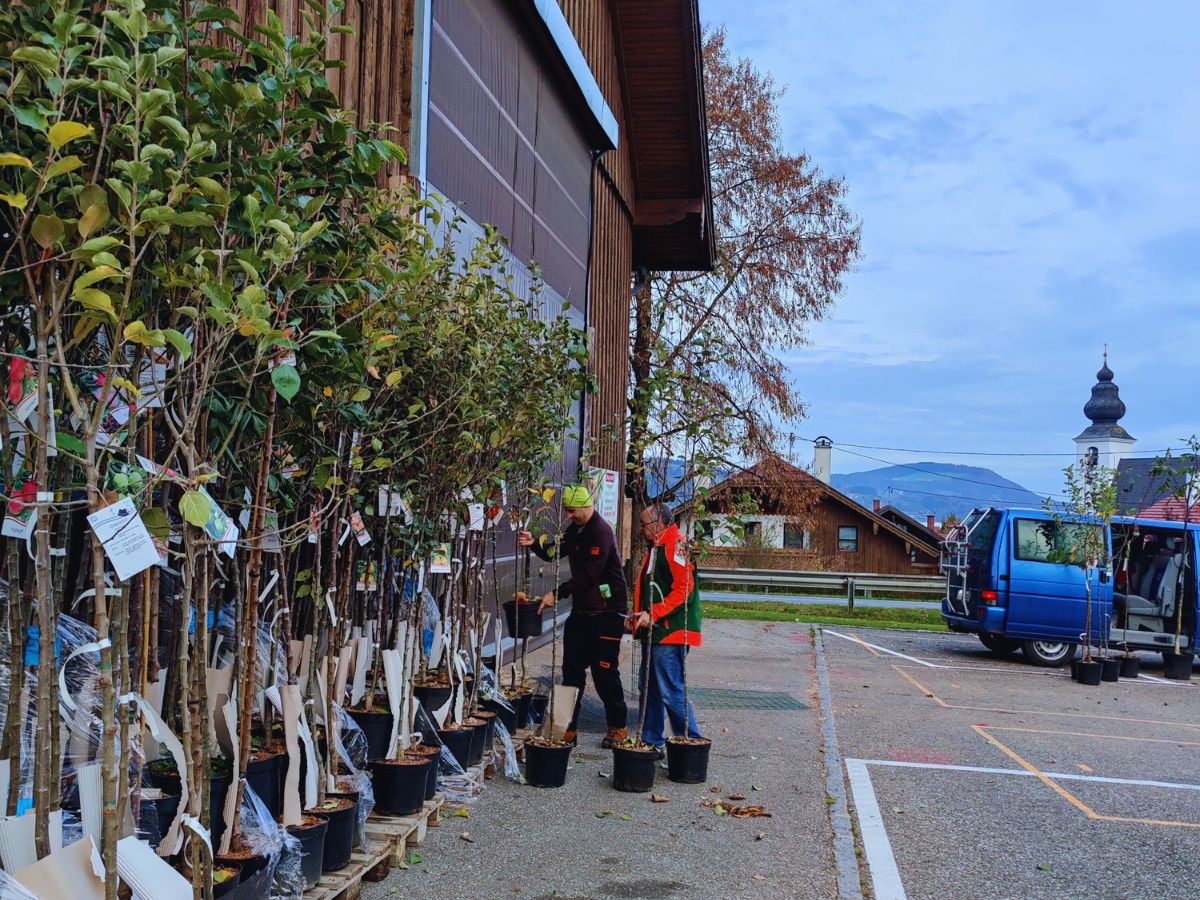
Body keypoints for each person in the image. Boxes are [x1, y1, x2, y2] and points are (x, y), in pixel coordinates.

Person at [517, 483, 629, 748]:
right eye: (566, 511)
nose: (569, 515)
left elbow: (588, 575)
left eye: (572, 510)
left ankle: (618, 726)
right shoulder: (575, 530)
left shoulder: (601, 532)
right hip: (582, 612)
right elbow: (555, 552)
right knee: (571, 671)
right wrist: (534, 543)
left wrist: (557, 593)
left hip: (607, 612)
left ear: (585, 505)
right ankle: (565, 728)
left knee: (605, 673)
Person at [630, 502, 703, 756]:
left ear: (660, 523)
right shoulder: (657, 548)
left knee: (671, 689)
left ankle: (691, 743)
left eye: (644, 524)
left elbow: (684, 588)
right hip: (656, 630)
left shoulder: (677, 546)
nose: (641, 528)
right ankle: (651, 740)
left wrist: (655, 613)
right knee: (648, 687)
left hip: (670, 632)